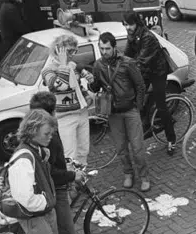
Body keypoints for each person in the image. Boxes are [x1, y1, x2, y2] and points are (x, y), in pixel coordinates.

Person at [29, 92, 88, 234]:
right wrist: (73, 174)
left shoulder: (34, 131)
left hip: (47, 187)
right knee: (66, 229)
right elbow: (50, 171)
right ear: (52, 112)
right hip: (56, 188)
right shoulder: (50, 136)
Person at [89, 32, 151, 192]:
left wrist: (138, 106)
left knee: (137, 147)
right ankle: (128, 174)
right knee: (121, 148)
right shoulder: (98, 65)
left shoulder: (127, 63)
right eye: (101, 48)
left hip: (130, 110)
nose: (104, 52)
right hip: (113, 112)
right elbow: (96, 86)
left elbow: (140, 85)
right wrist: (91, 83)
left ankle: (144, 176)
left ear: (114, 47)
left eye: (107, 48)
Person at [8, 109, 61, 234]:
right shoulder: (23, 159)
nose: (50, 137)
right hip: (35, 216)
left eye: (51, 133)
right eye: (47, 133)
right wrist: (47, 201)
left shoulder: (36, 150)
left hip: (43, 213)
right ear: (32, 130)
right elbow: (25, 198)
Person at [123, 11, 177, 156]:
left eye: (130, 24)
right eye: (125, 24)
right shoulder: (132, 35)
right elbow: (127, 56)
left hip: (158, 72)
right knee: (137, 99)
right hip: (146, 71)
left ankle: (172, 139)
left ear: (137, 23)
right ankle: (146, 122)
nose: (127, 27)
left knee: (161, 105)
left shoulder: (148, 37)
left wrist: (128, 72)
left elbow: (141, 61)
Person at [41, 34, 91, 165]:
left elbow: (78, 87)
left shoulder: (72, 66)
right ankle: (72, 183)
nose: (72, 54)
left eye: (75, 51)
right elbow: (59, 86)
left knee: (83, 151)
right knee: (70, 155)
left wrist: (86, 96)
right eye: (69, 51)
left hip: (82, 113)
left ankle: (82, 181)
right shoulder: (48, 70)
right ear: (59, 50)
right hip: (65, 117)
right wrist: (63, 65)